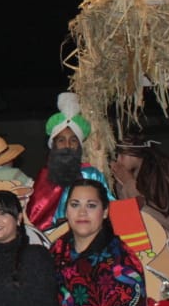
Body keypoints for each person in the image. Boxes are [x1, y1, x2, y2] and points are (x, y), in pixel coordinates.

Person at [28, 92, 110, 236]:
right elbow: (34, 217)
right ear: (53, 145)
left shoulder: (91, 174)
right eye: (61, 140)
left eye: (73, 140)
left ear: (79, 145)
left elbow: (109, 207)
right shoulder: (44, 176)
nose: (67, 145)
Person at [108, 134, 169, 237]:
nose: (118, 161)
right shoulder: (133, 173)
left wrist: (128, 182)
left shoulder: (156, 169)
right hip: (161, 219)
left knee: (142, 212)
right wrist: (121, 183)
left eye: (122, 156)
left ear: (135, 155)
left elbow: (148, 205)